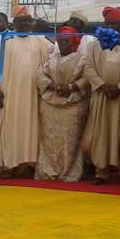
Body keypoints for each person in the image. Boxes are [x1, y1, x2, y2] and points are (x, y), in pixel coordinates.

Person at [0, 6, 53, 178]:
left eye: (28, 21)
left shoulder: (40, 40)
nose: (25, 24)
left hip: (32, 93)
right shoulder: (2, 40)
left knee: (30, 127)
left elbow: (53, 56)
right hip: (10, 91)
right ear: (15, 23)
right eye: (22, 21)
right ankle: (7, 165)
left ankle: (25, 164)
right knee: (9, 126)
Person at [82, 6, 120, 185]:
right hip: (102, 96)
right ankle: (101, 171)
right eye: (108, 23)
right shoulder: (94, 44)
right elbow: (88, 68)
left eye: (115, 23)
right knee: (101, 133)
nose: (111, 26)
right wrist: (103, 85)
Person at [34, 26, 90, 181]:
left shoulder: (83, 59)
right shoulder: (50, 58)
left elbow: (87, 78)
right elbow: (39, 76)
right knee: (49, 139)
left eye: (67, 41)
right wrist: (56, 87)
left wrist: (70, 87)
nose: (63, 44)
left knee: (70, 140)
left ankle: (69, 171)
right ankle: (48, 170)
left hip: (73, 105)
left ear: (74, 43)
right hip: (50, 104)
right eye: (61, 41)